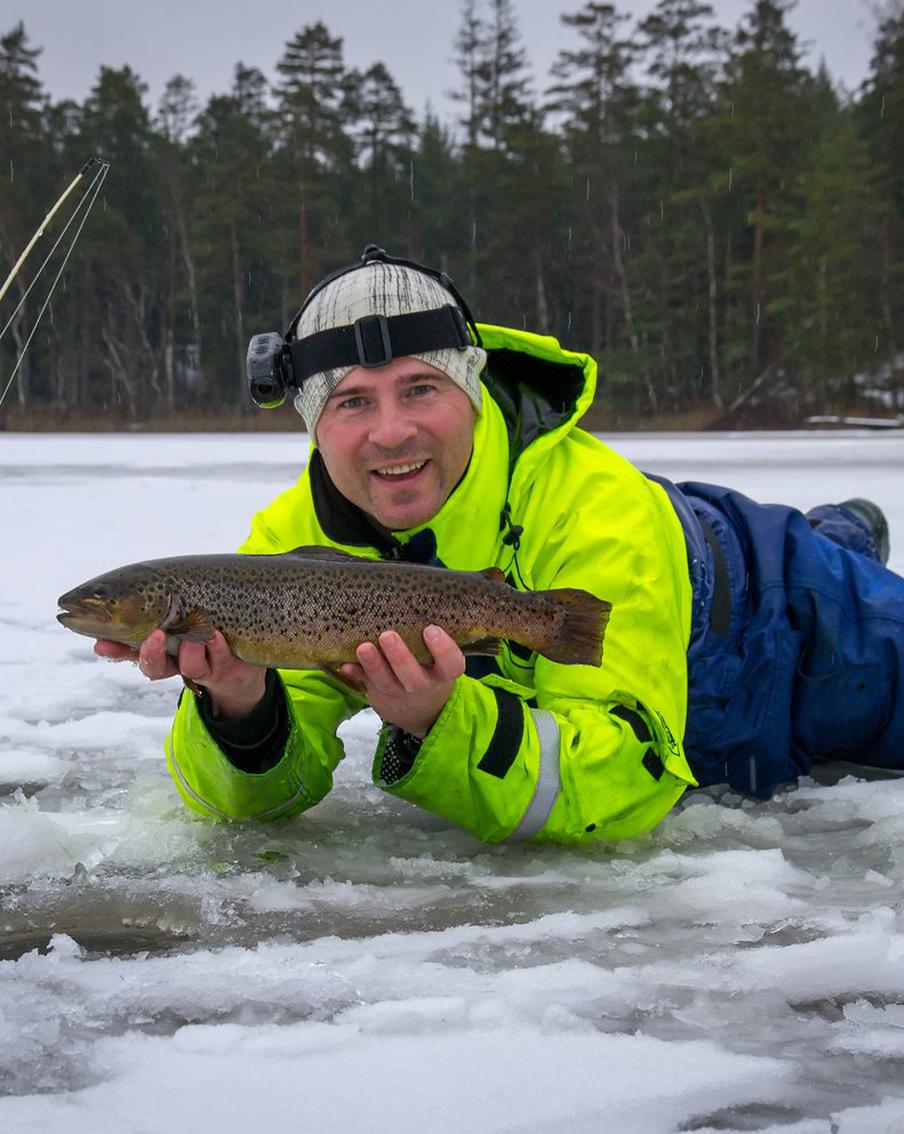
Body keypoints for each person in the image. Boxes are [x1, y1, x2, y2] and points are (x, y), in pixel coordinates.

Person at [96, 246, 904, 844]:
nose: (392, 431)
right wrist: (240, 705)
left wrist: (445, 718)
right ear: (314, 423)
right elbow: (253, 800)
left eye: (422, 389)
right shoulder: (284, 546)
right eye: (351, 403)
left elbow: (622, 787)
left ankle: (839, 544)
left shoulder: (596, 506)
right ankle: (849, 526)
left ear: (474, 394)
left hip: (775, 615)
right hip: (656, 566)